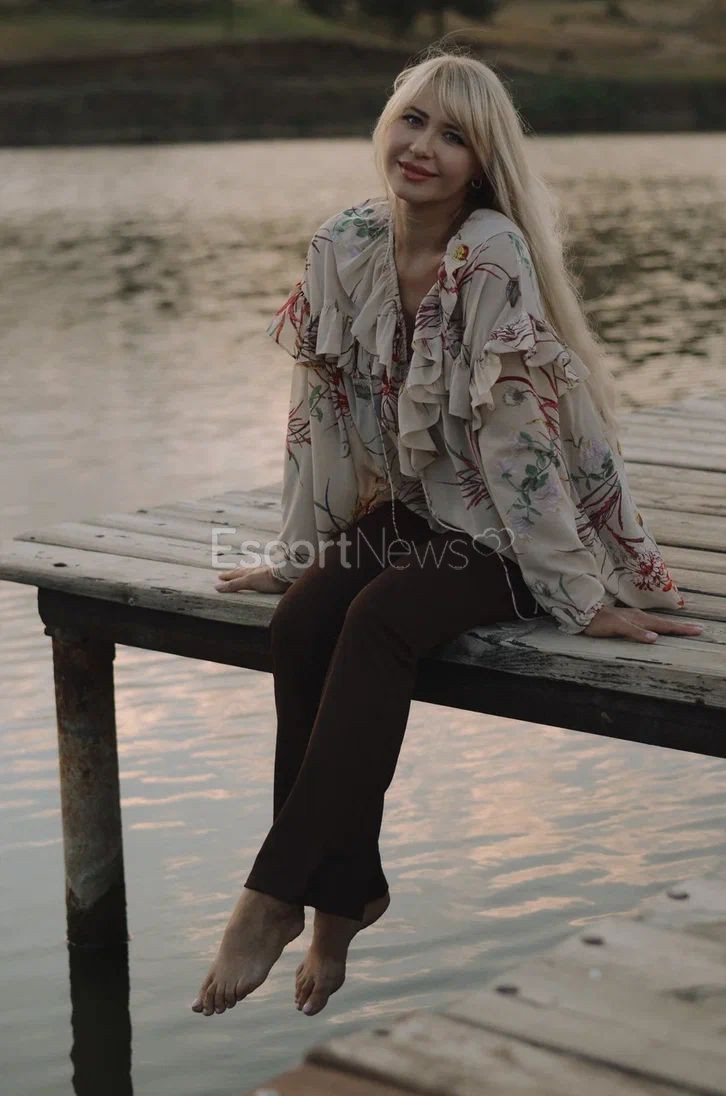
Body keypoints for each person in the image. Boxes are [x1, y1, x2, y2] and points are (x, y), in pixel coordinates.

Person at [191, 49, 703, 1021]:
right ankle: (345, 894)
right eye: (414, 120)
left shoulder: (492, 255)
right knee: (302, 622)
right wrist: (300, 557)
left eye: (455, 135)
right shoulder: (344, 242)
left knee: (381, 619)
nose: (424, 146)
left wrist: (579, 596)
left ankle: (274, 894)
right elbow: (319, 418)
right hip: (420, 508)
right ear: (387, 124)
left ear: (481, 163)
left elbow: (520, 443)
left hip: (514, 530)